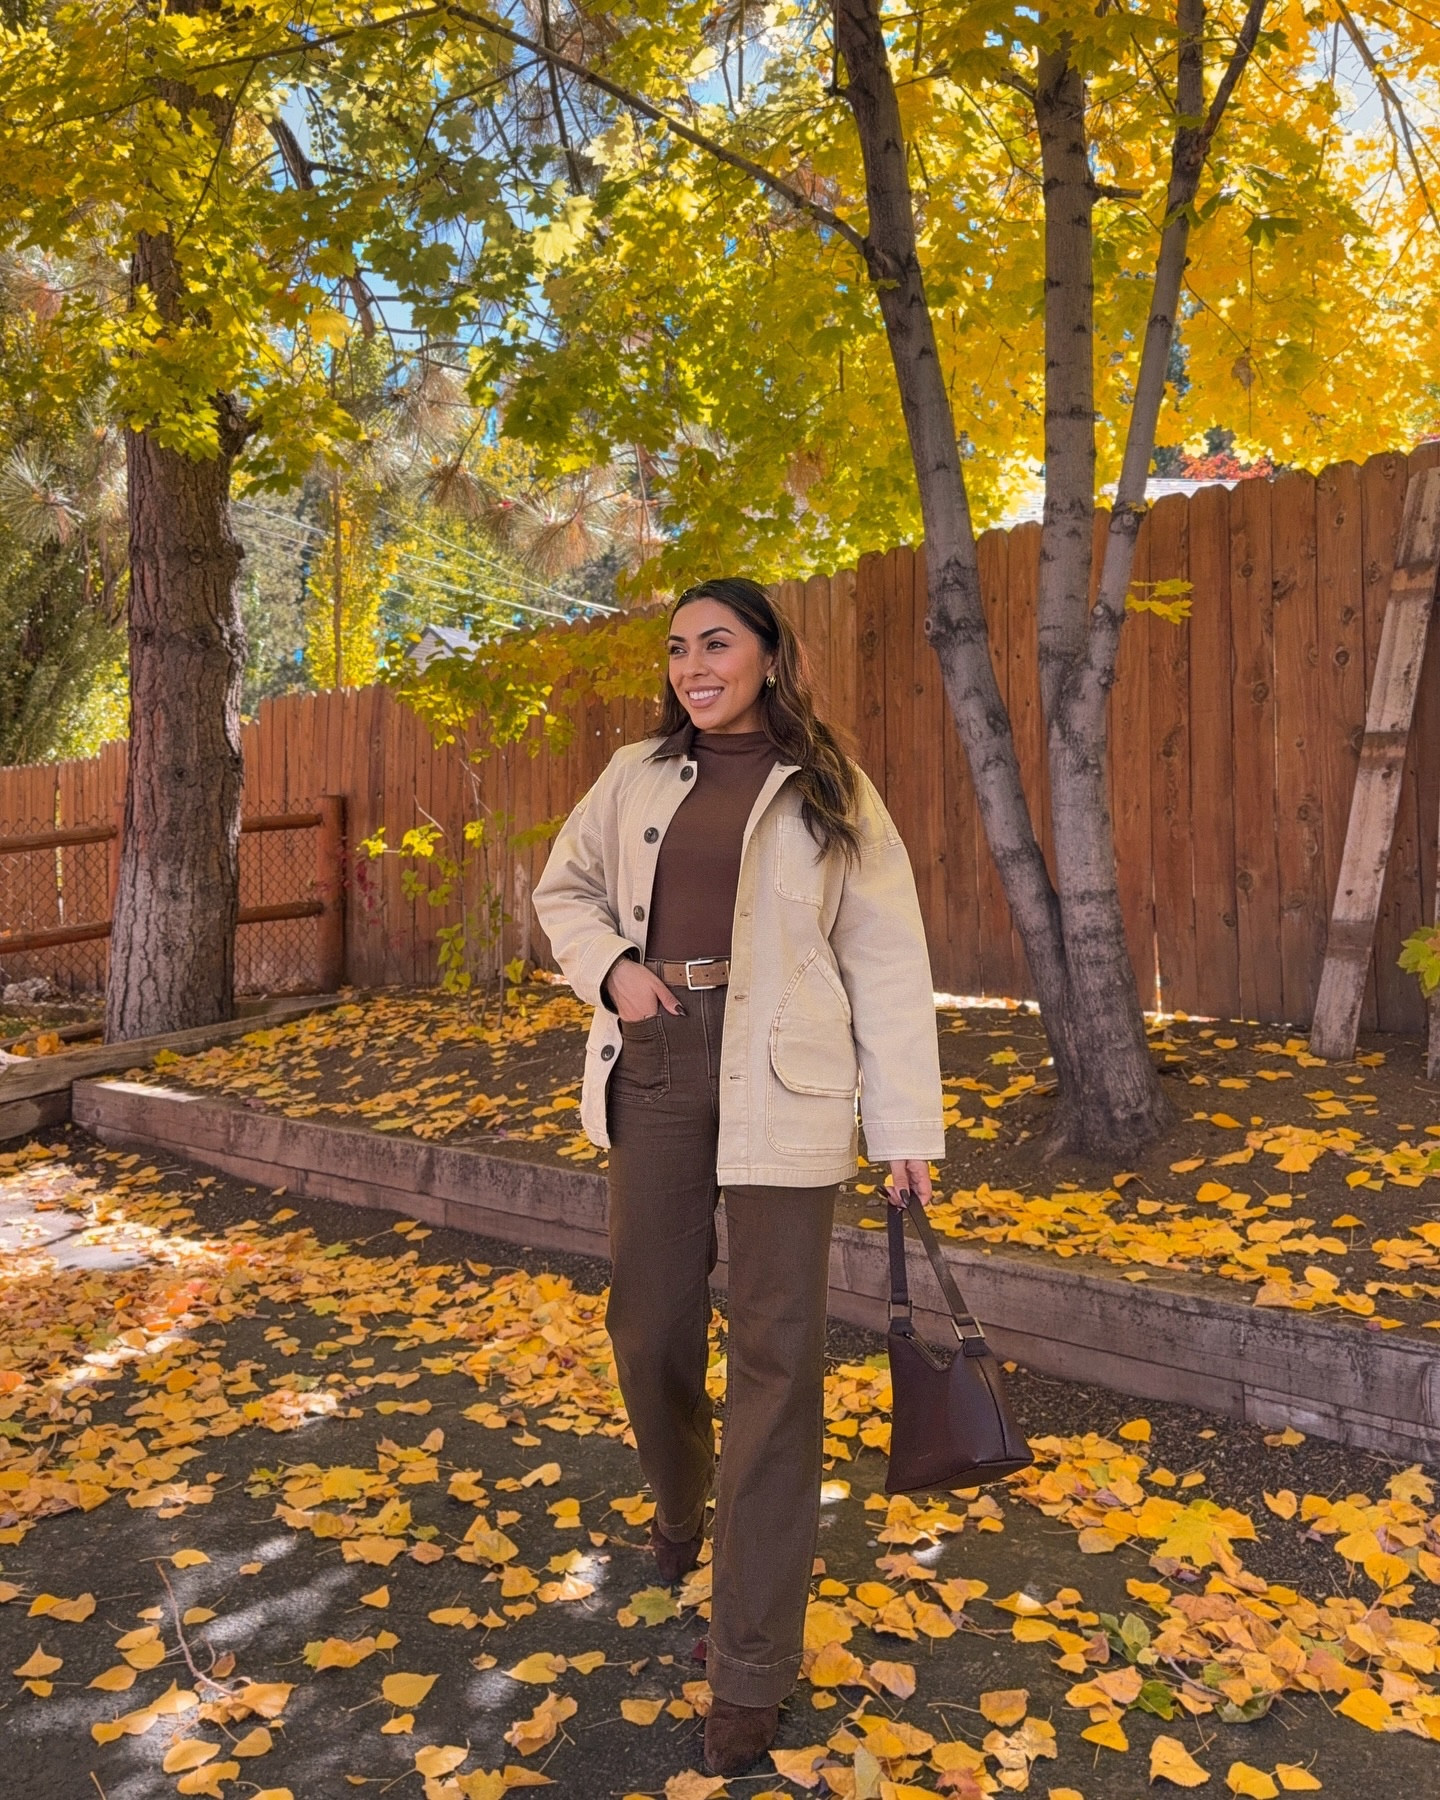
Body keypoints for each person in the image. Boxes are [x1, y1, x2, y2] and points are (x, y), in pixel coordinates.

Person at [532, 577, 944, 1776]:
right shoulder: (634, 774)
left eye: (716, 643)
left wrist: (905, 1124)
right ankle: (680, 1506)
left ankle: (751, 1668)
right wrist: (614, 970)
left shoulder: (833, 792)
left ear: (770, 654)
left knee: (779, 1358)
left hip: (790, 1076)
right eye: (676, 649)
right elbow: (564, 890)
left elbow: (885, 957)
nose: (691, 664)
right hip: (658, 1052)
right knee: (648, 1326)